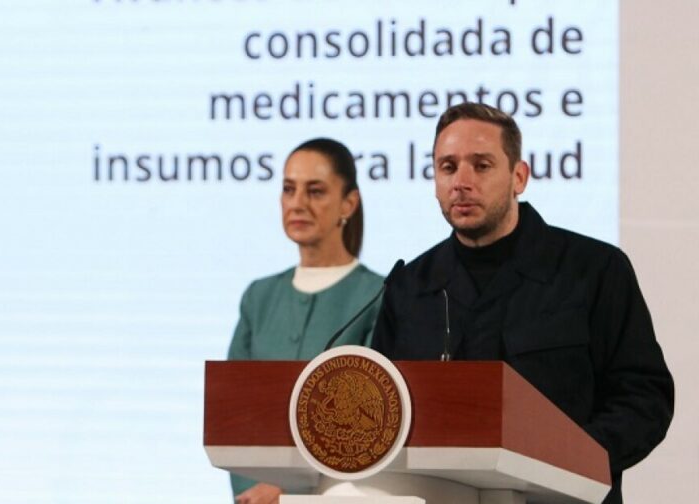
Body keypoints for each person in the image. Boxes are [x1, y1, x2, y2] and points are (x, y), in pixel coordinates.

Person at [370, 102, 673, 503]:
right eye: (448, 167)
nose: (461, 182)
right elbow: (380, 411)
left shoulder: (594, 270)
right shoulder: (409, 286)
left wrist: (571, 458)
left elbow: (644, 398)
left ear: (519, 177)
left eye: (481, 165)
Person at [228, 138, 385, 504]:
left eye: (315, 191)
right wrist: (252, 490)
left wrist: (289, 491)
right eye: (288, 189)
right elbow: (234, 412)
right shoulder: (258, 297)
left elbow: (371, 424)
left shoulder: (379, 295)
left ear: (348, 203)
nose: (297, 203)